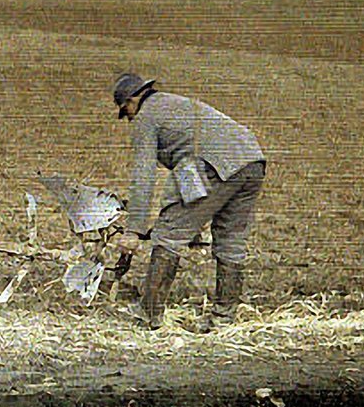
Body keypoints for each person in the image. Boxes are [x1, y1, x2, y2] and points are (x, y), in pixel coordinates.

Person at [112, 72, 267, 331]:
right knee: (231, 241)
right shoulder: (177, 103)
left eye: (125, 110)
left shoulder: (146, 117)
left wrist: (133, 231)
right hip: (253, 161)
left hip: (216, 165)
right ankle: (223, 318)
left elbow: (144, 175)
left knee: (168, 233)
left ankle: (148, 314)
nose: (127, 118)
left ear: (132, 100)